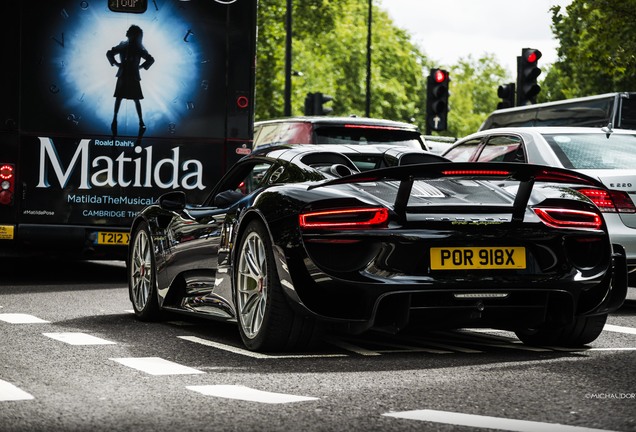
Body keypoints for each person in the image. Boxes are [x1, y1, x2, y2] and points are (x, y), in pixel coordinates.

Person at [106, 25, 155, 136]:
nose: (127, 31)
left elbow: (150, 59)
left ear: (134, 34)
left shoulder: (137, 47)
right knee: (120, 98)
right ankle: (116, 119)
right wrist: (116, 64)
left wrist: (139, 67)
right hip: (125, 74)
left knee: (133, 99)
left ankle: (140, 121)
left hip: (131, 75)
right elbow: (109, 53)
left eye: (129, 31)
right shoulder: (124, 45)